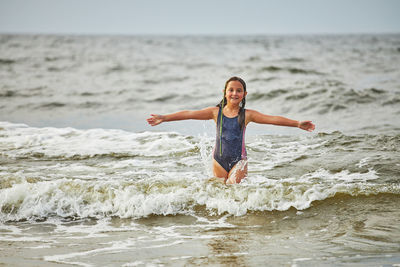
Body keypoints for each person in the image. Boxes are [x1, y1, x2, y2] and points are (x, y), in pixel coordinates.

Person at [147, 76, 315, 184]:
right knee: (219, 195)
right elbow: (189, 113)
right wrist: (165, 117)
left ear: (244, 94)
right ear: (224, 92)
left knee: (234, 190)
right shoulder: (215, 112)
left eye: (239, 90)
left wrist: (297, 123)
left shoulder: (247, 115)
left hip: (239, 161)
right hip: (218, 160)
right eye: (231, 90)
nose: (235, 93)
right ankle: (225, 230)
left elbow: (272, 119)